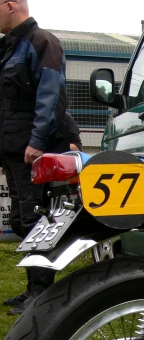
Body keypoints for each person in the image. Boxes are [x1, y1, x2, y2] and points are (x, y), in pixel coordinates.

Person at [0, 0, 71, 315]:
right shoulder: (9, 48)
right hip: (13, 150)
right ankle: (33, 288)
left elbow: (51, 93)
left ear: (11, 5)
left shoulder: (42, 41)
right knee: (21, 220)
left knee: (35, 221)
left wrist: (38, 141)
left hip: (34, 150)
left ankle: (42, 293)